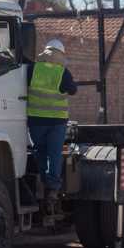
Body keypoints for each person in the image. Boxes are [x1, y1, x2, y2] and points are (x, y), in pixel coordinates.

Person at [27, 39, 77, 200]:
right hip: (57, 122)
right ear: (60, 54)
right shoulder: (63, 72)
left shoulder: (32, 69)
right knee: (54, 154)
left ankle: (43, 182)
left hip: (36, 121)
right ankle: (53, 188)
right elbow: (73, 90)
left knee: (40, 152)